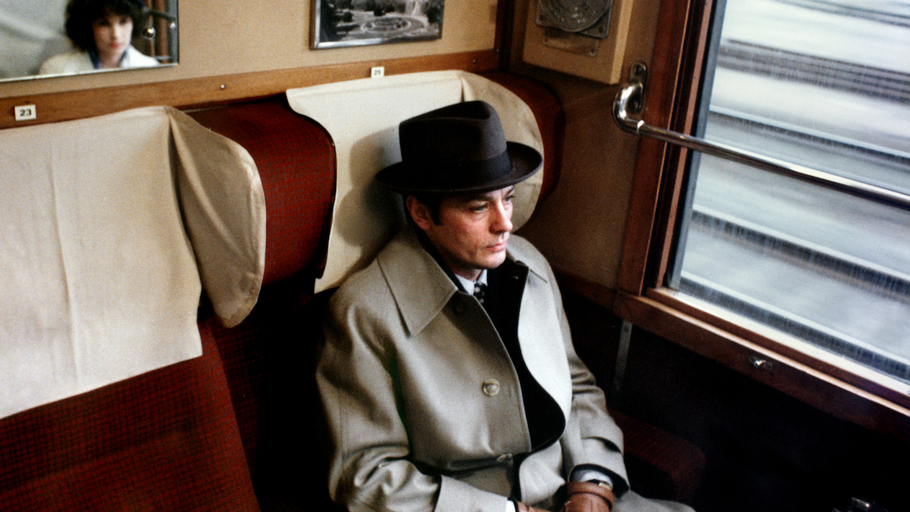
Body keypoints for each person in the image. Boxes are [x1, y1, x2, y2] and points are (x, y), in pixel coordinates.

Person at [316, 101, 694, 512]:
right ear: (421, 212)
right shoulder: (364, 311)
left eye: (508, 199)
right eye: (479, 207)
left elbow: (577, 386)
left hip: (566, 491)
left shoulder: (529, 263)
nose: (505, 224)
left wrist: (592, 484)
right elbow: (366, 475)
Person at [39, 0, 158, 75]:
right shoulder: (55, 69)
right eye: (104, 23)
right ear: (88, 26)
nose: (115, 34)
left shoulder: (150, 68)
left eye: (123, 21)